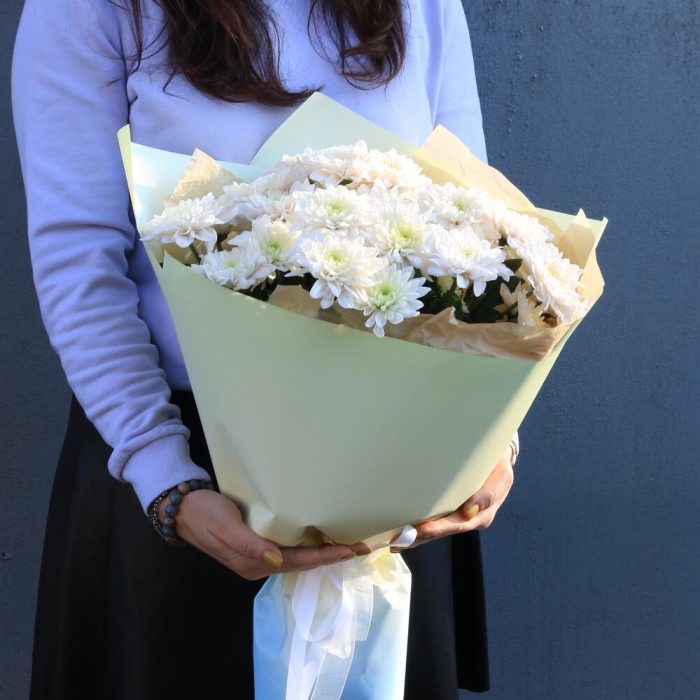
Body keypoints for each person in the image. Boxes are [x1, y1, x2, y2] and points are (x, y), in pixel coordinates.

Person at [12, 0, 519, 697]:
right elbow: (79, 258)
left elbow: (480, 224)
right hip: (192, 478)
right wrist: (167, 480)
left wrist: (490, 437)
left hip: (401, 471)